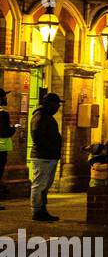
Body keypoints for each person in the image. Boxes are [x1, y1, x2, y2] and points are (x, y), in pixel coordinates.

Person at [29, 92, 62, 223]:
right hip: (43, 156)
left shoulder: (46, 116)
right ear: (50, 104)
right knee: (39, 184)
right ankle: (37, 210)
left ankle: (42, 209)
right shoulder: (40, 116)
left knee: (44, 185)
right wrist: (50, 148)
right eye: (56, 104)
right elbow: (37, 136)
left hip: (49, 156)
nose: (58, 107)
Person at [0, 88, 15, 210]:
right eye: (5, 96)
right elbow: (4, 132)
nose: (6, 98)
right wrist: (13, 128)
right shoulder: (3, 114)